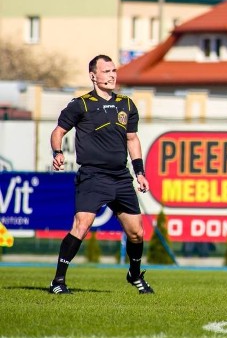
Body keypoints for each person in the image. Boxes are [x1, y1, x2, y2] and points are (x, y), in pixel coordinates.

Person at [48, 54, 153, 295]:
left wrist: (140, 173)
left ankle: (134, 275)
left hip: (120, 177)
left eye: (114, 71)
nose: (112, 75)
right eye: (106, 71)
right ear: (93, 76)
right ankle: (58, 281)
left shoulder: (126, 104)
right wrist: (57, 152)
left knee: (136, 233)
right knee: (81, 225)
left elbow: (132, 139)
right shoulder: (80, 104)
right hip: (93, 176)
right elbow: (58, 132)